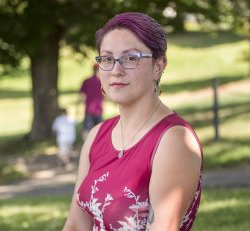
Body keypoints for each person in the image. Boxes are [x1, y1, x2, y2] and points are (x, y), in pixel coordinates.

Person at [63, 12, 203, 231]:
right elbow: (75, 225)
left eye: (130, 58)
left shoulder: (173, 140)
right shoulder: (97, 134)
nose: (116, 71)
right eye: (107, 59)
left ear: (159, 65)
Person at [80, 63, 104, 140]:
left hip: (88, 109)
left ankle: (86, 146)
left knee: (87, 129)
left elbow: (81, 95)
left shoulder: (87, 81)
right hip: (98, 109)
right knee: (100, 130)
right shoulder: (101, 82)